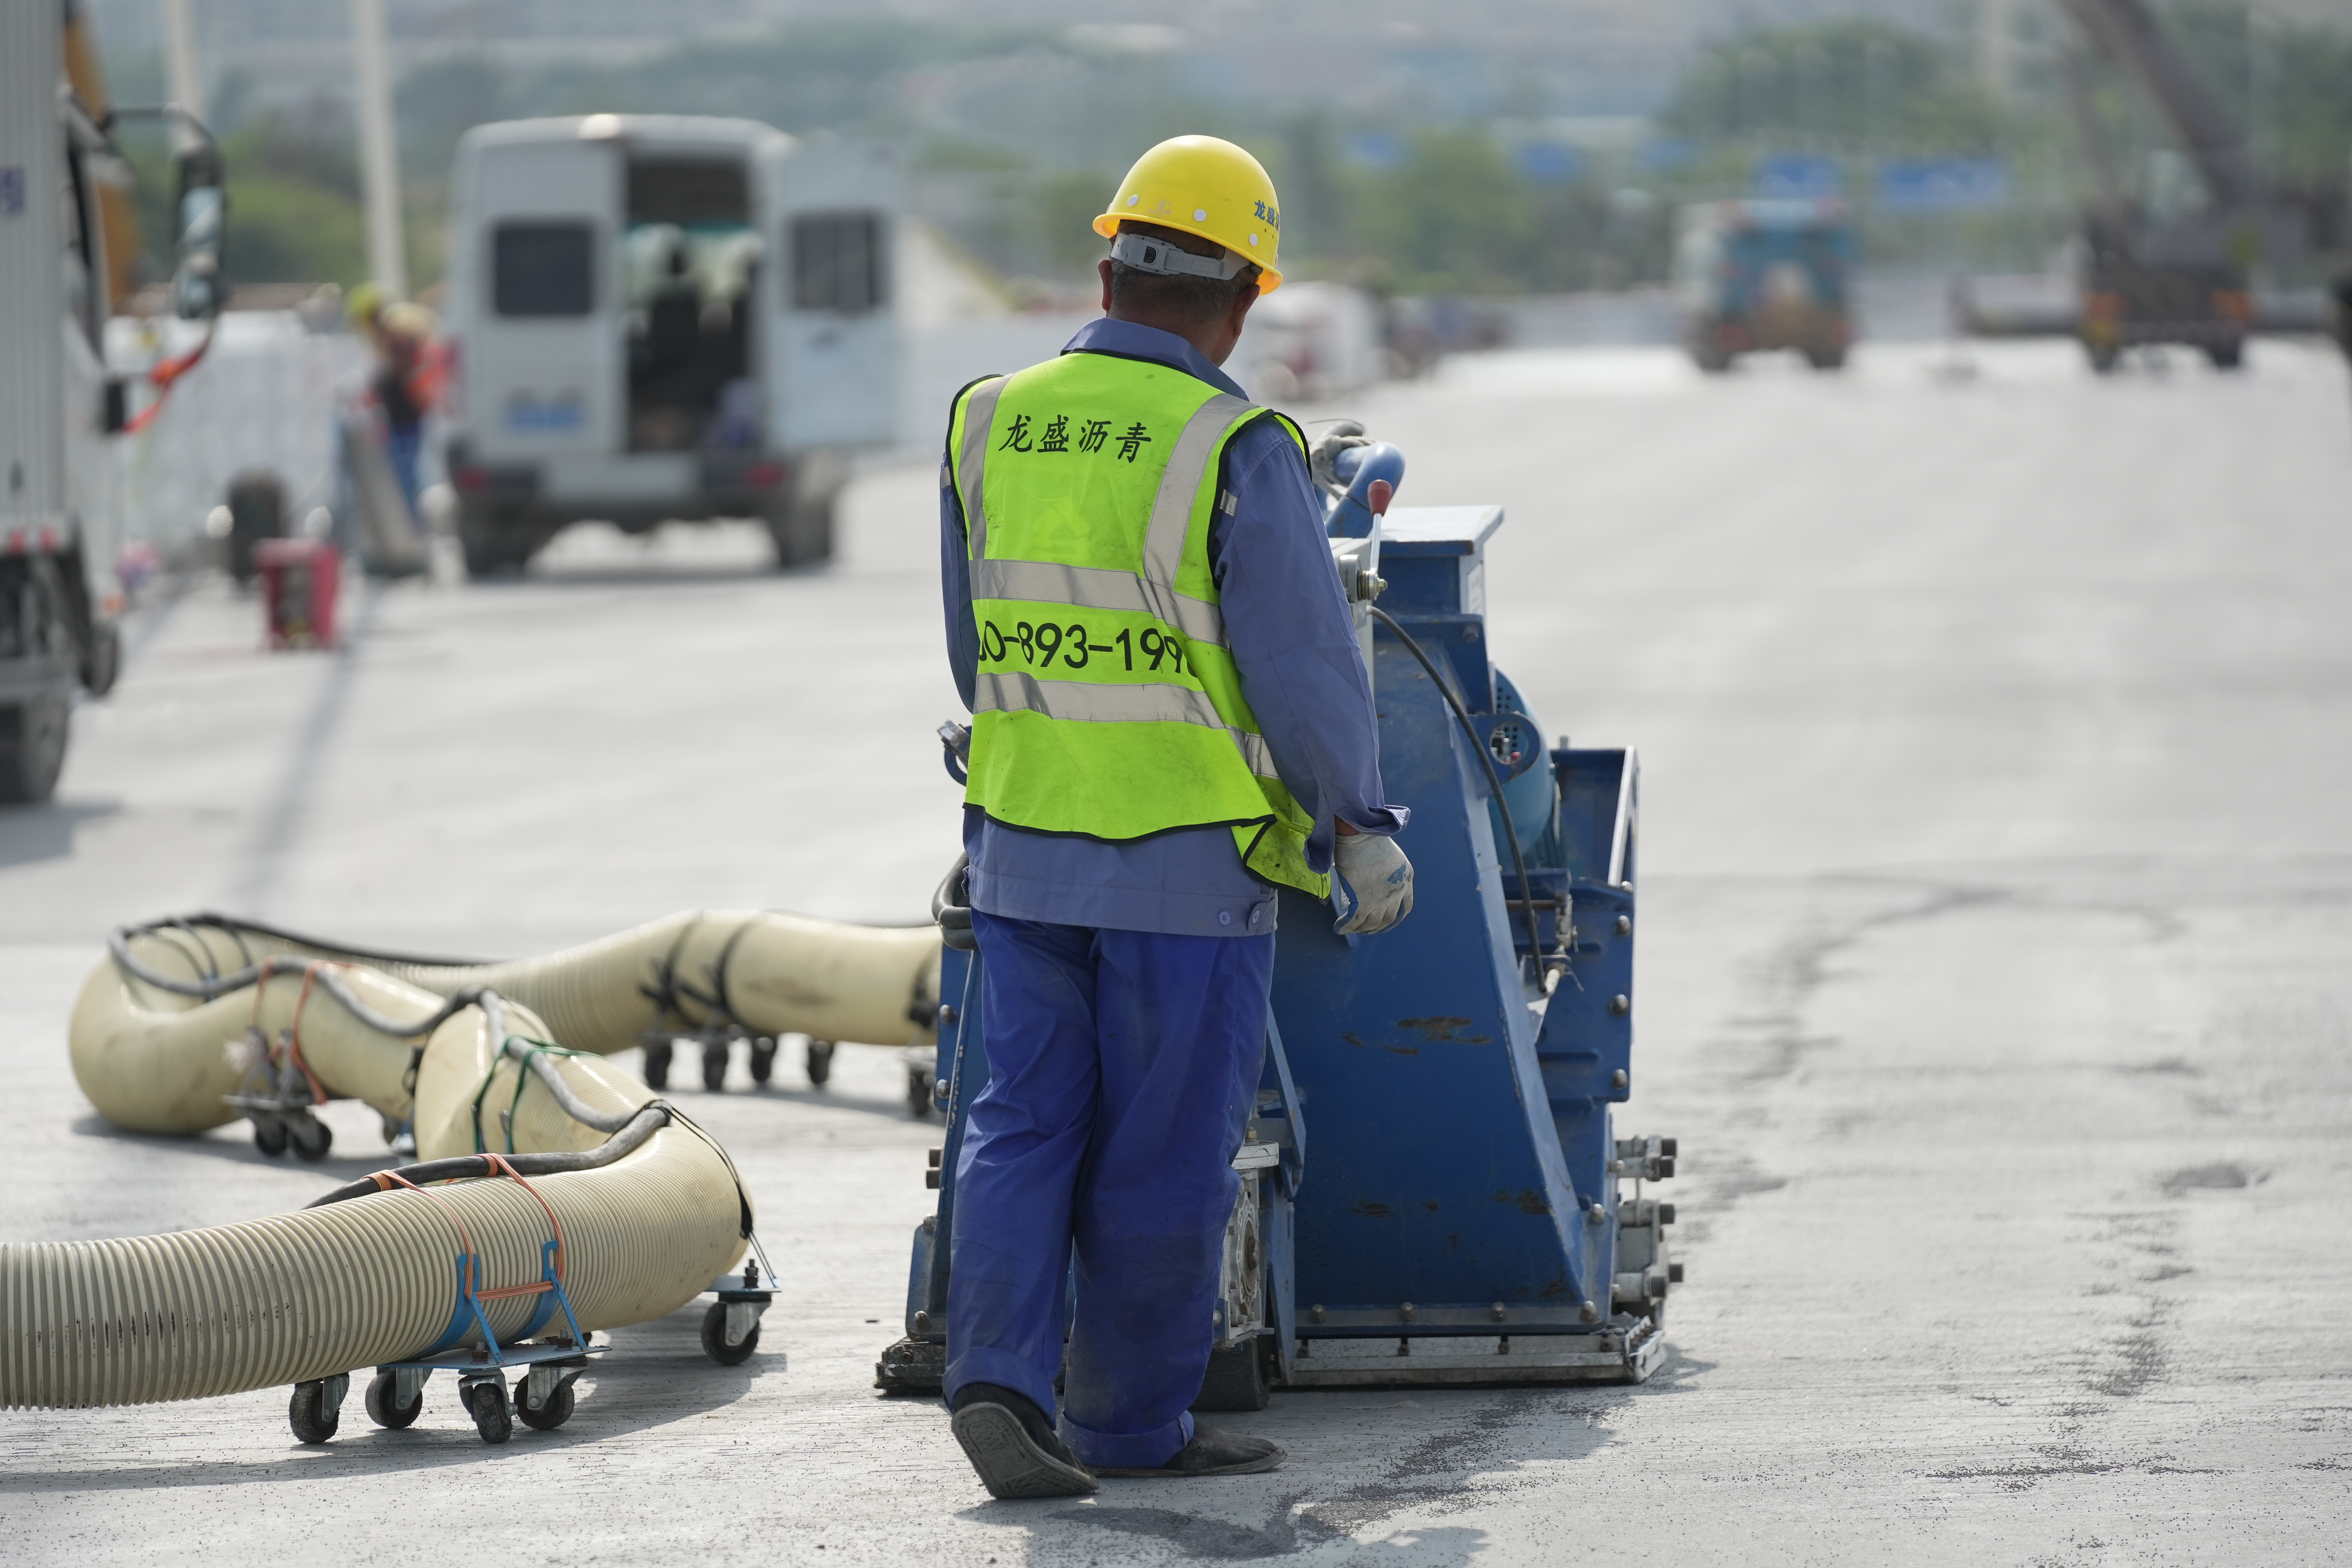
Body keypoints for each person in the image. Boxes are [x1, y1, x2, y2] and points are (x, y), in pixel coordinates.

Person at [935, 135, 1416, 1500]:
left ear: (1108, 267)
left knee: (1020, 1124)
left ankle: (996, 1383)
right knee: (1160, 1154)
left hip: (1021, 847)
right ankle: (1130, 1428)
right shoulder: (1235, 444)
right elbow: (1302, 664)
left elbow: (977, 649)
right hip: (1186, 868)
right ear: (1247, 299)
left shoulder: (987, 414)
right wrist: (1358, 818)